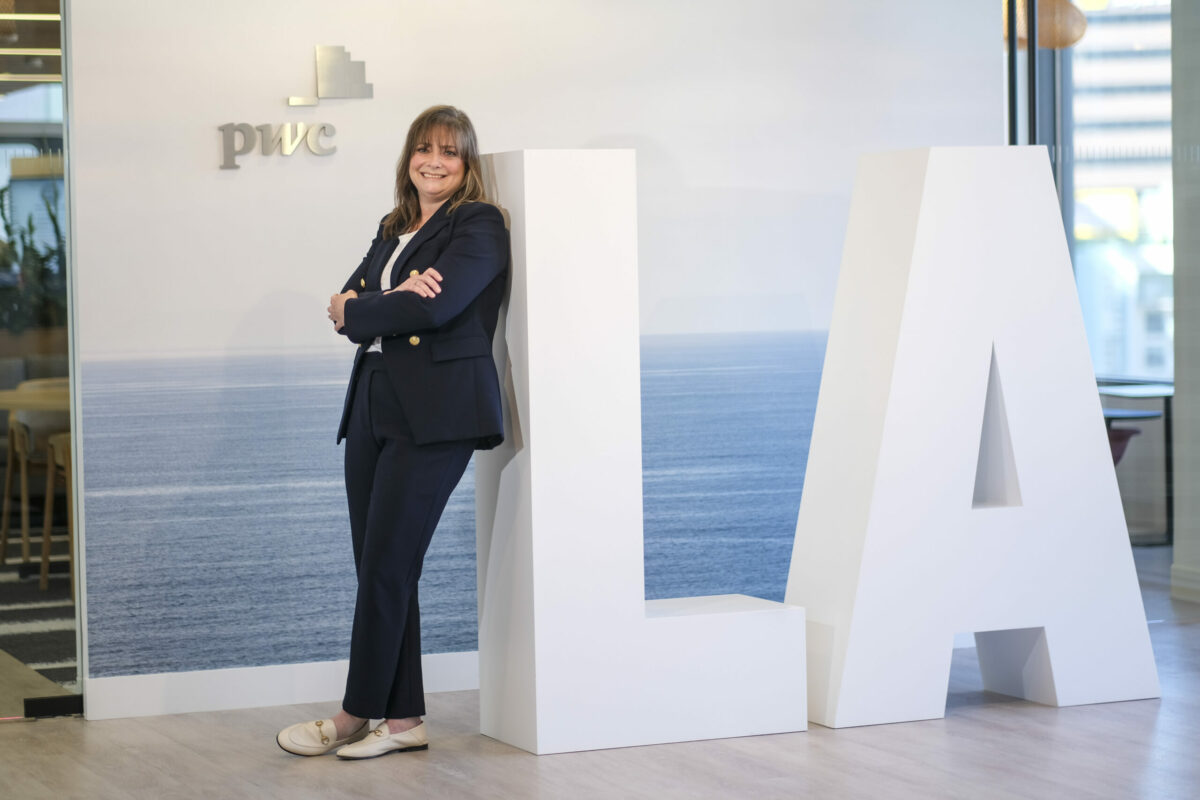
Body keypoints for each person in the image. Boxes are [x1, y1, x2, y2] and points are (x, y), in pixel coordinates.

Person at [277, 105, 508, 760]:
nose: (434, 161)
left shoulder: (479, 223)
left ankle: (354, 714)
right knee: (378, 565)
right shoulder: (394, 226)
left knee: (386, 565)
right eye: (424, 149)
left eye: (449, 151)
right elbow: (342, 307)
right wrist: (387, 298)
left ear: (466, 163)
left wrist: (375, 304)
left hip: (437, 412)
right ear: (409, 158)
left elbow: (436, 306)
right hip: (373, 401)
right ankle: (404, 720)